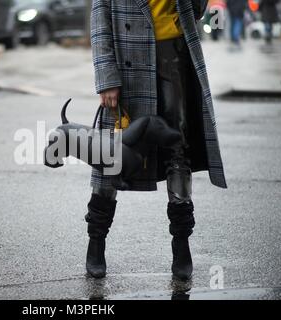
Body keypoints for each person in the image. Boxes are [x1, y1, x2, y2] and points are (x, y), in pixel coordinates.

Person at [88, 0, 227, 280]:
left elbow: (197, 10)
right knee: (112, 159)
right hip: (130, 61)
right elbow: (99, 22)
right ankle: (96, 242)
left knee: (178, 152)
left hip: (174, 56)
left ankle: (181, 245)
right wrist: (106, 78)